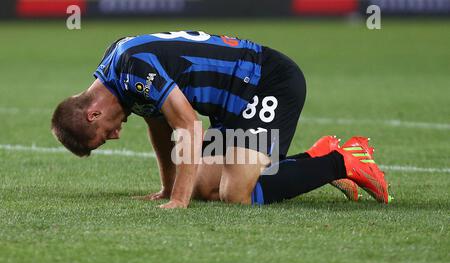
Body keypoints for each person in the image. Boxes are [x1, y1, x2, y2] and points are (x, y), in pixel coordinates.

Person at [51, 31, 391, 209]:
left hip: (265, 82)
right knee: (203, 187)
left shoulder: (131, 68)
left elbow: (188, 125)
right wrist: (169, 189)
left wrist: (178, 202)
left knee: (236, 194)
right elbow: (159, 123)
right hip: (231, 106)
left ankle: (341, 161)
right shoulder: (117, 71)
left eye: (103, 135)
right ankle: (314, 158)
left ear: (92, 113)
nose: (114, 136)